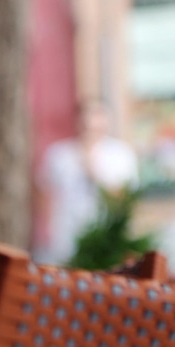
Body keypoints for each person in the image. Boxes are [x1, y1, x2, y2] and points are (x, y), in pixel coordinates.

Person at [35, 99, 139, 265]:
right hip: (65, 238)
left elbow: (124, 198)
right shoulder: (59, 154)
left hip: (105, 240)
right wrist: (45, 231)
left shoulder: (121, 154)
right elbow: (44, 192)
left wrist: (96, 173)